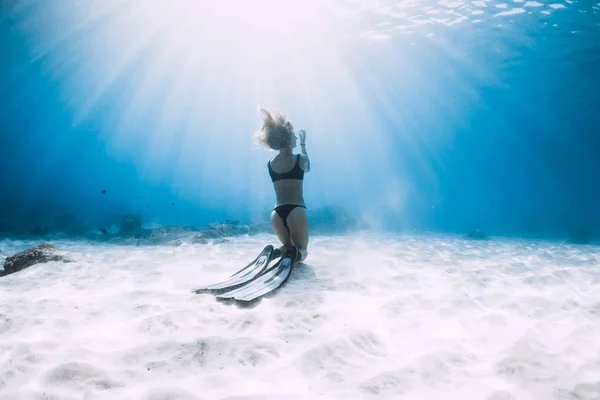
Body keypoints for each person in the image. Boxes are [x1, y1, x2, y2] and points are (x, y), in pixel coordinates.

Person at [255, 109, 311, 262]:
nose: (295, 138)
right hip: (296, 210)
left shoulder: (270, 164)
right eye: (293, 136)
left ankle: (276, 253)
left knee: (287, 246)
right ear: (287, 139)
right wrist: (303, 144)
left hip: (276, 214)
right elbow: (307, 168)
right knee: (302, 251)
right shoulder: (301, 158)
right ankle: (295, 255)